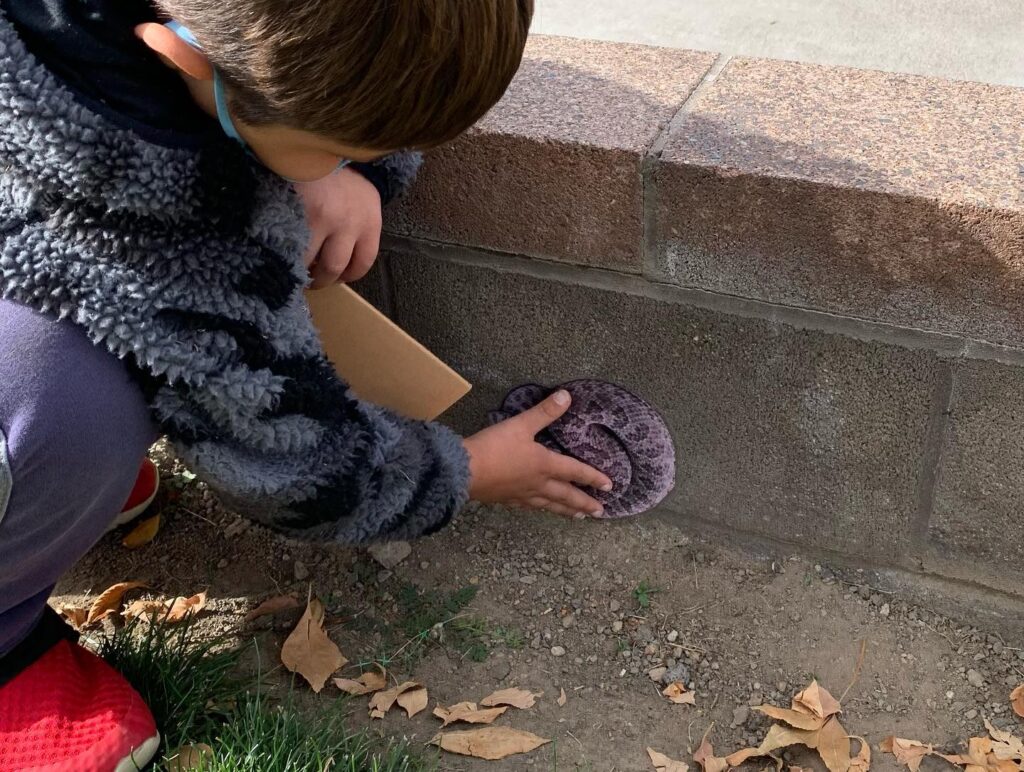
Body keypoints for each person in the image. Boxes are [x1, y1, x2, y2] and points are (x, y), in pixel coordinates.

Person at [0, 1, 615, 768]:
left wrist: (335, 164)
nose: (353, 159)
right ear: (185, 55)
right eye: (332, 145)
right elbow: (282, 460)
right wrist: (469, 471)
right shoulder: (158, 213)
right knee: (63, 394)